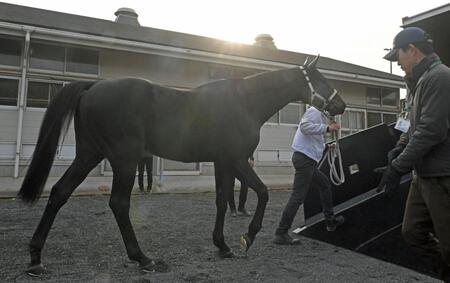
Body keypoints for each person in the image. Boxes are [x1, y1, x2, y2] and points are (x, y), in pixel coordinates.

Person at [380, 27, 450, 282]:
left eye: (397, 55)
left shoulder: (440, 77)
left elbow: (430, 131)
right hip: (424, 174)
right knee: (412, 232)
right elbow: (413, 126)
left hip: (442, 175)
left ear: (412, 49)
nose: (397, 62)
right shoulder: (420, 82)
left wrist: (397, 167)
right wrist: (398, 149)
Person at [273, 106, 345, 245]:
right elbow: (305, 127)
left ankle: (330, 221)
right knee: (298, 197)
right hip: (305, 160)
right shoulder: (315, 111)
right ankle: (280, 232)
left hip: (306, 160)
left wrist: (326, 147)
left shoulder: (319, 116)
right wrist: (328, 128)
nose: (334, 117)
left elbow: (312, 140)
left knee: (324, 184)